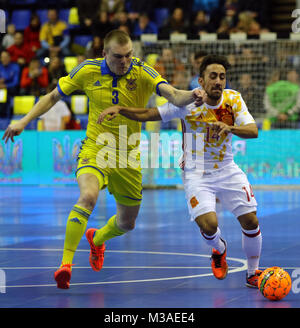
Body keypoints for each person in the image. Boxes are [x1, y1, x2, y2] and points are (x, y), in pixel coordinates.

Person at [2, 29, 203, 289]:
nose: (125, 62)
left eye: (129, 55)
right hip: (96, 148)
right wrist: (24, 120)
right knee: (87, 197)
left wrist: (193, 95)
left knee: (126, 223)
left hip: (128, 155)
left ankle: (97, 239)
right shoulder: (87, 70)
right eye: (119, 57)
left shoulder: (141, 71)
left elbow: (173, 94)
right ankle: (65, 265)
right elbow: (53, 96)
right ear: (104, 53)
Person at [98, 54, 263, 288]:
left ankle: (253, 273)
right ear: (201, 81)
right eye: (213, 76)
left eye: (222, 77)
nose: (218, 81)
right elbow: (149, 114)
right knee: (209, 226)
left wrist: (230, 127)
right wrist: (121, 108)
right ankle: (219, 249)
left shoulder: (233, 100)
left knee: (251, 220)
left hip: (227, 169)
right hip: (196, 173)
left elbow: (253, 130)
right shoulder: (187, 104)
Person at [0, 50, 20, 118]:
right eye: (3, 57)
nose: (4, 59)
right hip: (1, 89)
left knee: (6, 94)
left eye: (6, 57)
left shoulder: (15, 67)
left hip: (11, 89)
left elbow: (16, 82)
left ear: (9, 58)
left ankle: (5, 116)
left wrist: (5, 85)